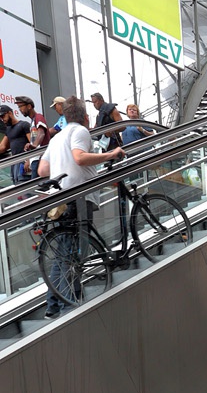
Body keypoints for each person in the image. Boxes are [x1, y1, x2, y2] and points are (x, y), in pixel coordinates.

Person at [36, 95, 124, 318]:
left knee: (62, 253)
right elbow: (79, 157)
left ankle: (53, 305)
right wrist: (110, 154)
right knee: (75, 254)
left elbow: (42, 170)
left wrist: (60, 164)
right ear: (85, 116)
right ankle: (70, 305)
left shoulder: (57, 138)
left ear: (65, 115)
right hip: (79, 196)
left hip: (60, 199)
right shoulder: (80, 131)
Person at [0, 104, 33, 183]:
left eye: (3, 116)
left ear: (10, 113)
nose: (2, 119)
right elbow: (3, 147)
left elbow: (33, 143)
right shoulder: (8, 129)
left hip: (24, 161)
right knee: (16, 184)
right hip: (15, 162)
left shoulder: (24, 125)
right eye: (0, 117)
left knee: (24, 185)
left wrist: (29, 160)